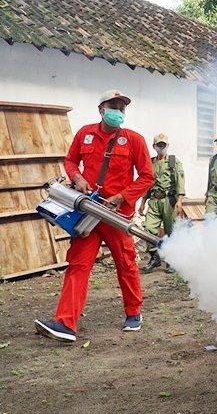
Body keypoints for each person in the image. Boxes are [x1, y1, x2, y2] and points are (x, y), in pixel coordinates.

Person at [34, 90, 155, 342]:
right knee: (78, 264)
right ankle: (65, 323)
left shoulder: (134, 140)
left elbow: (146, 176)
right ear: (101, 109)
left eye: (122, 108)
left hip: (116, 216)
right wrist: (76, 177)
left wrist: (122, 197)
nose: (118, 112)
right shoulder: (85, 134)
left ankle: (133, 312)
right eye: (113, 106)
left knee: (126, 264)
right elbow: (70, 161)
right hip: (87, 212)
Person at [139, 133, 186, 273]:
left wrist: (180, 200)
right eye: (158, 145)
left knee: (171, 231)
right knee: (148, 228)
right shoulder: (150, 162)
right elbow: (147, 183)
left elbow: (180, 181)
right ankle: (154, 257)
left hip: (168, 201)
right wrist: (142, 202)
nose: (161, 147)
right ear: (154, 146)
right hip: (154, 201)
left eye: (163, 145)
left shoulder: (173, 162)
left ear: (167, 146)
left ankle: (172, 260)